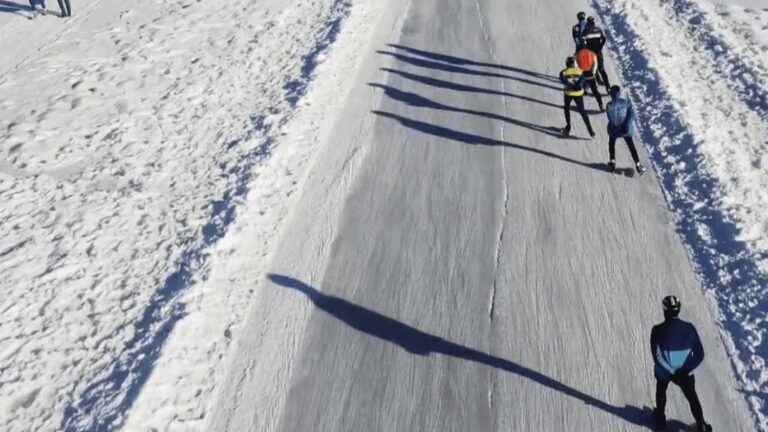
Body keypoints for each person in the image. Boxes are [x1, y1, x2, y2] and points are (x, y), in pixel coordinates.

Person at [650, 296, 712, 432]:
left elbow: (656, 356)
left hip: (665, 371)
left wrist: (671, 371)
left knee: (661, 388)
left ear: (665, 310)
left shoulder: (657, 330)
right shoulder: (689, 328)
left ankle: (660, 419)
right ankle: (701, 425)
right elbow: (700, 354)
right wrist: (684, 370)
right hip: (684, 372)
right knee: (692, 397)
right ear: (679, 309)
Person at [605, 85, 645, 174]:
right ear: (619, 94)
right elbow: (631, 114)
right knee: (631, 146)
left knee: (611, 143)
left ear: (611, 94)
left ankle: (612, 162)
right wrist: (626, 125)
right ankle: (638, 165)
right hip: (625, 130)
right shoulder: (625, 102)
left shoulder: (608, 105)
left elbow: (610, 118)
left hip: (614, 130)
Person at [559, 56, 595, 138]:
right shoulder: (580, 71)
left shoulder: (563, 72)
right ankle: (590, 130)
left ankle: (568, 127)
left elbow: (563, 81)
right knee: (582, 111)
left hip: (568, 93)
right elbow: (583, 81)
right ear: (574, 63)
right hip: (578, 94)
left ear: (567, 64)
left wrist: (571, 85)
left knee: (566, 108)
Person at [583, 16, 611, 92]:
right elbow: (604, 38)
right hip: (598, 52)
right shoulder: (599, 29)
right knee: (602, 70)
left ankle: (588, 87)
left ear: (588, 23)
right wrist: (600, 46)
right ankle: (608, 87)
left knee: (591, 70)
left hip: (590, 54)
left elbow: (582, 41)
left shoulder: (586, 31)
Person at [575, 47, 604, 111]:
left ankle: (579, 105)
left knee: (578, 90)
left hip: (582, 75)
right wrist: (593, 72)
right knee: (595, 91)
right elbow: (595, 63)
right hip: (590, 75)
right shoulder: (592, 53)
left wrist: (578, 72)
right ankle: (600, 104)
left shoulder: (577, 54)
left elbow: (575, 64)